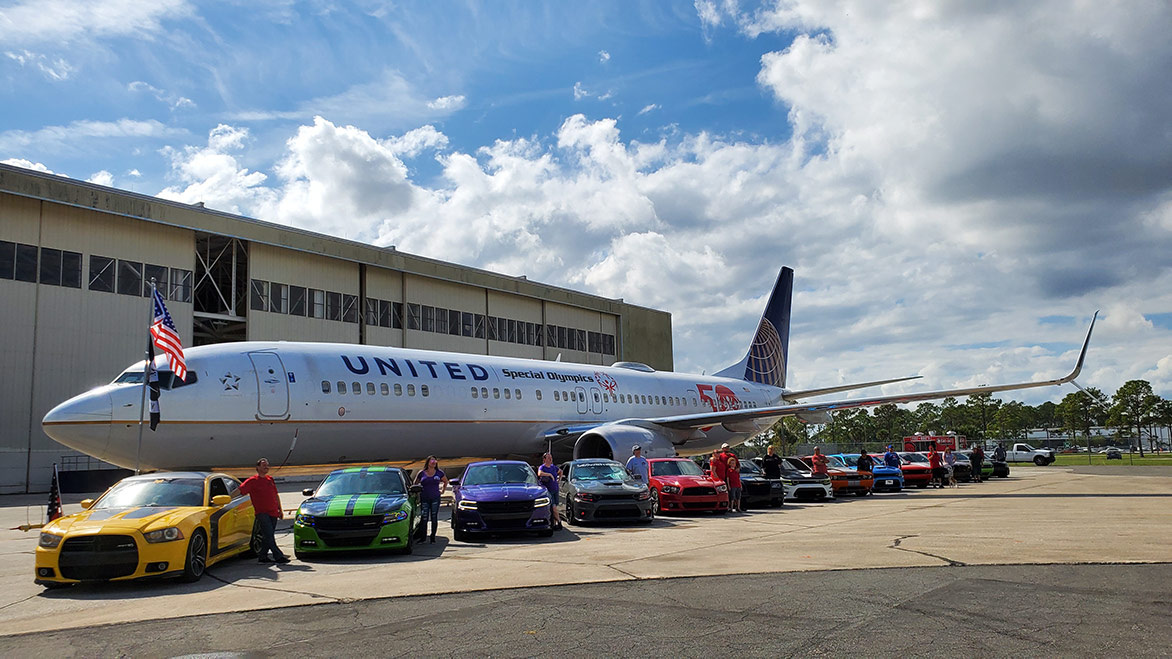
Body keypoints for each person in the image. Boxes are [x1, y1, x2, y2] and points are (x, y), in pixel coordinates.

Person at [239, 457, 289, 563]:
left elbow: (275, 495)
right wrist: (227, 497)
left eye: (267, 465)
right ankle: (278, 556)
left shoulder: (270, 479)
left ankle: (262, 556)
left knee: (268, 535)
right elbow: (240, 490)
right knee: (269, 534)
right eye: (264, 465)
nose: (266, 467)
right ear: (257, 467)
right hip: (262, 512)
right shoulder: (252, 481)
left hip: (273, 511)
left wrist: (280, 509)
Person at [414, 455, 448, 543]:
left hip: (435, 497)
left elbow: (445, 481)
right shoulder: (421, 473)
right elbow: (415, 483)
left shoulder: (439, 473)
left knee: (434, 517)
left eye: (435, 461)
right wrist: (416, 492)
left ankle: (433, 537)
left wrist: (443, 490)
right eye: (431, 461)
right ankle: (423, 537)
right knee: (424, 518)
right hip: (424, 498)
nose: (433, 463)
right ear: (428, 462)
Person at [537, 453, 562, 530]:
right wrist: (549, 475)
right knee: (553, 506)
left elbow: (560, 471)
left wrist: (559, 480)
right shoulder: (543, 467)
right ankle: (559, 522)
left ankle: (554, 524)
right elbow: (539, 473)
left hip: (555, 488)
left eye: (551, 458)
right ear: (544, 459)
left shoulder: (553, 467)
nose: (550, 459)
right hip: (549, 490)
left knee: (555, 507)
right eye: (548, 458)